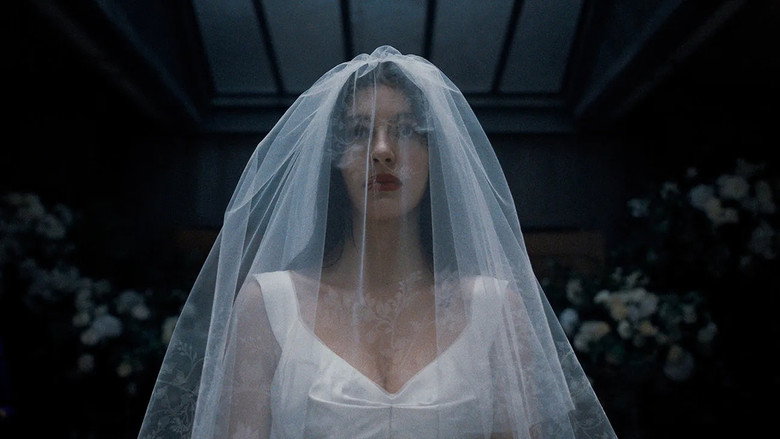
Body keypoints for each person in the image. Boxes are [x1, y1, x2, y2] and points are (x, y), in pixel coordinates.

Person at [138, 46, 617, 439]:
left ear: (435, 152)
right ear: (332, 156)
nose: (382, 152)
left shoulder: (496, 311)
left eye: (405, 130)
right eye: (359, 132)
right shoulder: (268, 306)